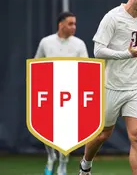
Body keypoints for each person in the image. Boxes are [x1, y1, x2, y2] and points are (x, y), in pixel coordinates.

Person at [78, 0, 137, 175]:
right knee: (103, 134)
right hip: (111, 86)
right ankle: (86, 165)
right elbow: (98, 51)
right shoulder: (112, 17)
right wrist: (126, 54)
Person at [34, 11, 88, 175]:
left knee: (66, 132)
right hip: (50, 92)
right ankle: (51, 157)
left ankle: (63, 163)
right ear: (61, 24)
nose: (74, 27)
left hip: (70, 93)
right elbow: (36, 64)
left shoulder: (79, 44)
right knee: (46, 128)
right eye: (70, 23)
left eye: (75, 24)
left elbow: (86, 67)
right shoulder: (46, 42)